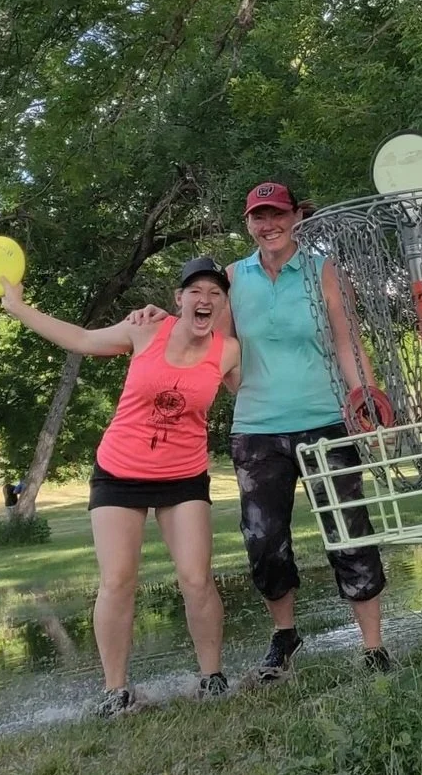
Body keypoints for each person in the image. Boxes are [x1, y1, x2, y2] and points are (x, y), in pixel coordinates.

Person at [131, 181, 393, 680]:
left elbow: (347, 344)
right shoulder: (233, 278)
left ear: (296, 217)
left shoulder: (324, 270)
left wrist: (367, 400)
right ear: (248, 223)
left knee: (349, 531)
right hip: (256, 431)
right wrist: (162, 322)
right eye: (259, 217)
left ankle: (373, 647)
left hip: (325, 422)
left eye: (277, 214)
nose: (269, 225)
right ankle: (284, 635)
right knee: (264, 540)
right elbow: (209, 341)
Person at [1, 257, 241, 717]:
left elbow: (251, 389)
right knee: (117, 580)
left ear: (224, 304)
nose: (205, 299)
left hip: (184, 476)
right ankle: (115, 691)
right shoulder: (145, 330)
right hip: (120, 472)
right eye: (195, 291)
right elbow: (81, 339)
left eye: (215, 293)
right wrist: (19, 308)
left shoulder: (228, 351)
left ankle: (212, 678)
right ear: (179, 298)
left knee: (196, 578)